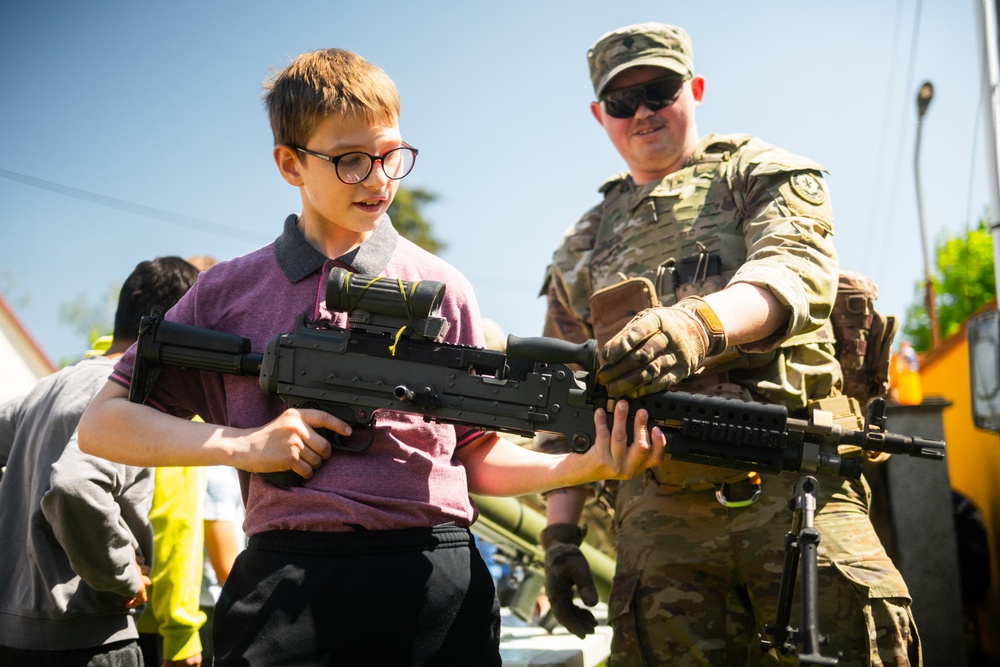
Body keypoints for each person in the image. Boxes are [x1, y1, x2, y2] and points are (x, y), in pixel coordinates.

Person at [78, 47, 665, 666]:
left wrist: (588, 463)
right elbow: (104, 423)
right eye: (351, 161)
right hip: (286, 580)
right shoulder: (227, 293)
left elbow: (475, 455)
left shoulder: (442, 285)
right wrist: (246, 445)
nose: (380, 179)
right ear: (289, 164)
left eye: (391, 157)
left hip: (432, 574)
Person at [538, 22, 920, 666]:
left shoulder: (759, 172)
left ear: (696, 88)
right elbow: (568, 405)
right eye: (622, 102)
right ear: (599, 114)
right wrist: (560, 536)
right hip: (659, 524)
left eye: (658, 91)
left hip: (797, 487)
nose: (643, 113)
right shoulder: (583, 244)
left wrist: (695, 326)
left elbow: (792, 271)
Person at [0, 255, 200, 666]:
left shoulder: (49, 386)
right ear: (181, 330)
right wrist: (122, 573)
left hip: (13, 634)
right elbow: (76, 486)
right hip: (91, 640)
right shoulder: (134, 402)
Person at [198, 465, 246, 666]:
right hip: (210, 606)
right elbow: (225, 569)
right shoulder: (216, 474)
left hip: (217, 602)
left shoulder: (225, 473)